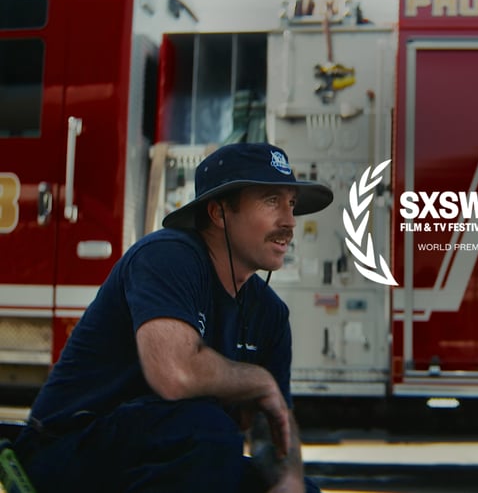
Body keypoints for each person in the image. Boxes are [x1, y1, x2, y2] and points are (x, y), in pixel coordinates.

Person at [14, 142, 333, 492]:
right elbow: (175, 375)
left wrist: (287, 480)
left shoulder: (270, 313)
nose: (289, 221)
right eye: (271, 201)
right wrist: (259, 379)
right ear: (219, 212)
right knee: (206, 430)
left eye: (291, 203)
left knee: (302, 488)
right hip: (65, 451)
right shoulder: (167, 257)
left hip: (164, 457)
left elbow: (273, 424)